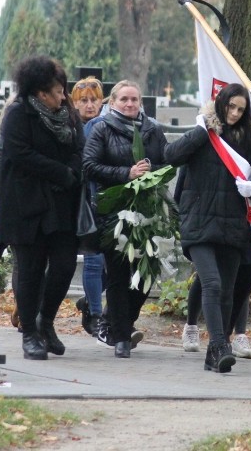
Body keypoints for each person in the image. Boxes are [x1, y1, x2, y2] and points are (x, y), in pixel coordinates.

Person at [166, 83, 251, 373]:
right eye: (230, 106)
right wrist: (202, 131)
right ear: (220, 104)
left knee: (227, 290)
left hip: (234, 225)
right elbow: (171, 154)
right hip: (199, 224)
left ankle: (215, 353)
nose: (234, 113)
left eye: (240, 108)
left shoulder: (249, 140)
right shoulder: (204, 133)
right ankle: (222, 345)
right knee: (211, 283)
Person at [0, 56, 84, 361]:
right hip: (27, 206)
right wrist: (60, 173)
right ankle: (30, 333)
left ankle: (46, 321)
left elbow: (78, 149)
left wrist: (71, 172)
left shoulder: (68, 115)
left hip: (61, 205)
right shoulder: (19, 114)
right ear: (40, 93)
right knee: (30, 271)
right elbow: (20, 154)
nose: (63, 96)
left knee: (63, 266)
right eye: (57, 92)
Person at [83, 80, 167, 358]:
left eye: (134, 100)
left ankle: (122, 321)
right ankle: (120, 337)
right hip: (113, 212)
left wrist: (152, 172)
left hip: (148, 212)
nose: (130, 104)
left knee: (145, 275)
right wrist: (126, 174)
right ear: (112, 102)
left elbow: (167, 162)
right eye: (124, 100)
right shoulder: (101, 128)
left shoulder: (152, 129)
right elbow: (89, 165)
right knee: (119, 275)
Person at [70, 77, 107, 338]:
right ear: (74, 103)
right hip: (80, 201)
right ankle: (95, 313)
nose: (90, 105)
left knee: (108, 264)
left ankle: (90, 301)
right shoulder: (72, 129)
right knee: (93, 261)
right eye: (84, 100)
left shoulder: (107, 126)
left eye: (95, 100)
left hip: (105, 197)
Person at [182, 243, 251, 359]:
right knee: (207, 278)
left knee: (242, 277)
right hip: (210, 233)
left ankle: (238, 335)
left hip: (238, 233)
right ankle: (192, 326)